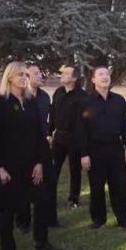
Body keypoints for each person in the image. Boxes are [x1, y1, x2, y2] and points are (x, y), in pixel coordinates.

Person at [0, 61, 61, 250]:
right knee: (8, 208)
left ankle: (41, 240)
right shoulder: (0, 103)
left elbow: (39, 134)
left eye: (26, 75)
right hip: (9, 165)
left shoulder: (31, 102)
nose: (24, 78)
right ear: (9, 77)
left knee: (42, 200)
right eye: (20, 74)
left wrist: (39, 162)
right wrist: (0, 167)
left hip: (32, 163)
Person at [77, 66, 126, 229]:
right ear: (93, 80)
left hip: (115, 148)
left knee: (119, 185)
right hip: (94, 150)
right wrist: (84, 154)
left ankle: (124, 219)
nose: (105, 77)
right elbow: (80, 130)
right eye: (100, 74)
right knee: (96, 187)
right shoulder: (85, 102)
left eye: (107, 74)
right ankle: (98, 219)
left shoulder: (119, 101)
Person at [16, 63, 59, 231]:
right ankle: (23, 222)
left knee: (50, 180)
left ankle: (50, 219)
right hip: (24, 148)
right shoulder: (19, 99)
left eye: (40, 73)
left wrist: (49, 134)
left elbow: (45, 121)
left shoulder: (44, 97)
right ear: (26, 76)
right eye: (36, 73)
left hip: (43, 145)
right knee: (25, 183)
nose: (40, 76)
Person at [48, 65, 87, 210]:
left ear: (74, 78)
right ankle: (49, 196)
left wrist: (83, 148)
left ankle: (73, 199)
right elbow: (53, 113)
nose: (62, 75)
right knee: (53, 168)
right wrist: (49, 132)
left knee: (74, 170)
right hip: (59, 136)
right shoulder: (58, 92)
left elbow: (83, 123)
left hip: (75, 138)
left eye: (66, 73)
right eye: (62, 72)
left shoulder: (83, 97)